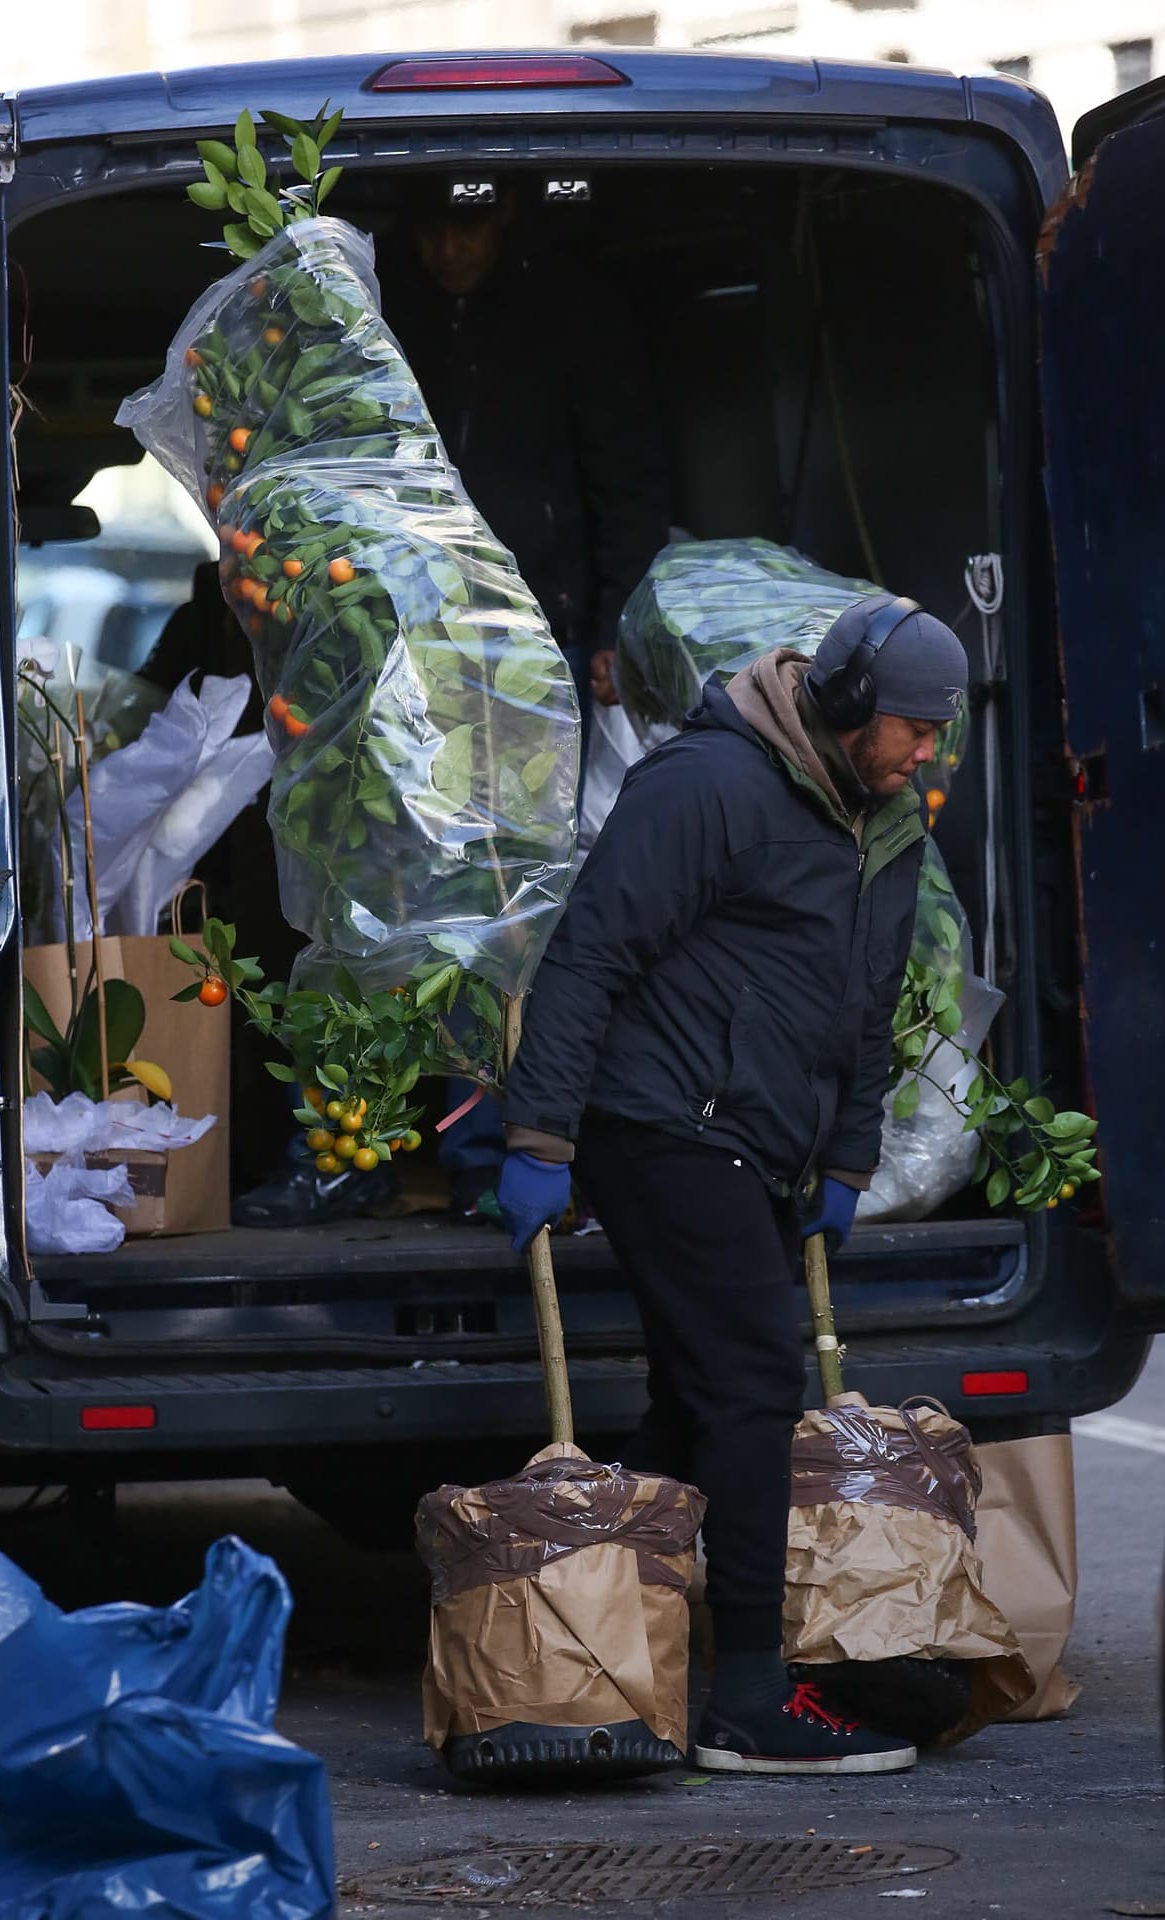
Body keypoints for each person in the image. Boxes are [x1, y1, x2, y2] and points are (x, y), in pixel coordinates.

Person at [496, 595, 969, 1775]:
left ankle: (603, 1638)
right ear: (847, 701)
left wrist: (848, 1156)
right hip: (657, 1121)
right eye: (908, 727)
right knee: (757, 1376)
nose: (921, 752)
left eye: (933, 734)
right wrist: (541, 1137)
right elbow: (589, 951)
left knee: (696, 1395)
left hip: (760, 1140)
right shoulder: (707, 785)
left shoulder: (883, 822)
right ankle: (747, 1702)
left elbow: (865, 1004)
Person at [380, 183, 671, 1223]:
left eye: (471, 225)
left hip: (532, 656)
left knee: (521, 910)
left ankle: (520, 1144)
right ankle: (397, 1141)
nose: (451, 246)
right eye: (432, 227)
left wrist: (609, 632)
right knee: (416, 901)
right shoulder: (386, 316)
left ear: (506, 223)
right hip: (408, 655)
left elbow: (626, 484)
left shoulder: (567, 316)